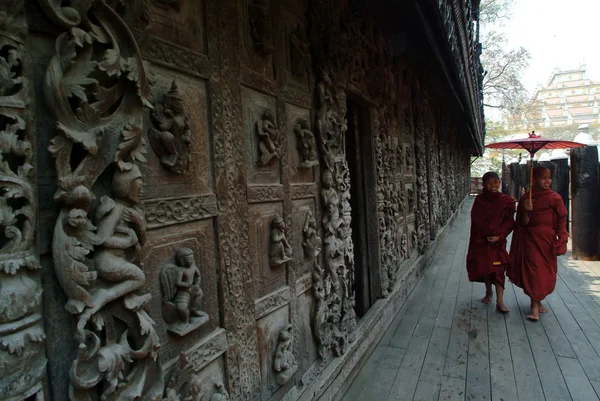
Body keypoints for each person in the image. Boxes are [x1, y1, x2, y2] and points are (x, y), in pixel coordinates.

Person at [509, 166, 568, 321]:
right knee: (534, 270)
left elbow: (562, 220)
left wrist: (562, 238)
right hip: (530, 239)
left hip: (547, 241)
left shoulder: (555, 198)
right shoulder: (526, 198)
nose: (547, 181)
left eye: (549, 178)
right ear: (534, 180)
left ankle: (538, 301)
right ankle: (534, 306)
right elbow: (522, 222)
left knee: (544, 271)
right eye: (543, 178)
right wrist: (524, 210)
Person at [467, 171, 515, 313]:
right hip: (483, 241)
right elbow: (476, 219)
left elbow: (510, 222)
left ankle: (500, 302)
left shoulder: (507, 201)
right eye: (489, 183)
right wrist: (487, 234)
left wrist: (499, 236)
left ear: (499, 183)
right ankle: (488, 292)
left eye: (495, 182)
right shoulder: (480, 200)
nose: (492, 185)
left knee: (499, 270)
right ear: (484, 184)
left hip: (498, 242)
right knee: (487, 269)